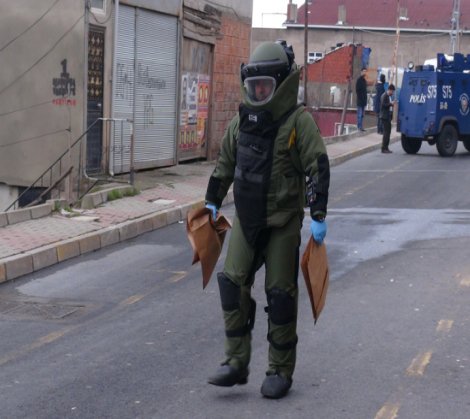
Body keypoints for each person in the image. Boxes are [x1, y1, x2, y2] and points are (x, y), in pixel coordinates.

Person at [204, 40, 330, 399]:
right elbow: (225, 165)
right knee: (231, 282)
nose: (259, 93)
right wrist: (212, 201)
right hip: (246, 219)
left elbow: (317, 166)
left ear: (281, 84)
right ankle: (235, 361)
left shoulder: (298, 123)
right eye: (254, 87)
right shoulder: (240, 124)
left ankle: (279, 369)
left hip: (282, 223)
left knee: (280, 294)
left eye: (265, 87)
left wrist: (318, 214)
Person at [380, 83, 396, 153]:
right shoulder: (384, 95)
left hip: (388, 117)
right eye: (392, 91)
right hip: (384, 117)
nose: (392, 93)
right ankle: (384, 148)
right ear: (389, 90)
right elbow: (383, 105)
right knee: (386, 133)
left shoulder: (388, 96)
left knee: (388, 132)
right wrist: (391, 104)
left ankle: (386, 147)